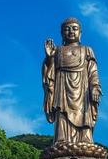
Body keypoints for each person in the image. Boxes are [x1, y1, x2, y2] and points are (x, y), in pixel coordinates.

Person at [42, 17, 102, 145]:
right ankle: (61, 140)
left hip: (82, 87)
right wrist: (49, 58)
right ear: (62, 33)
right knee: (61, 112)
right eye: (67, 29)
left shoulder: (86, 49)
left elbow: (93, 71)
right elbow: (50, 74)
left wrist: (95, 87)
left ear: (80, 32)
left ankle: (85, 141)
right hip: (62, 86)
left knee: (85, 114)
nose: (71, 31)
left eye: (75, 28)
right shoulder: (57, 51)